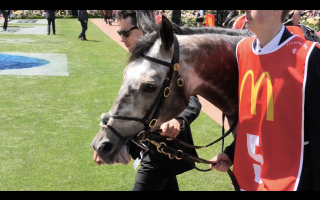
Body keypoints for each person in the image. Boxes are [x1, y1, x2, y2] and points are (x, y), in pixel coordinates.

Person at [210, 10, 320, 191]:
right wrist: (232, 153)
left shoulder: (308, 56)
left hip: (292, 181)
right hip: (248, 179)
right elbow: (253, 121)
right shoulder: (242, 50)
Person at [93, 10, 202, 191]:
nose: (121, 38)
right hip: (150, 150)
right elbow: (128, 109)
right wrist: (109, 139)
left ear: (143, 28)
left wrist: (178, 119)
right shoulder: (136, 64)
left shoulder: (166, 61)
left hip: (162, 152)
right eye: (120, 33)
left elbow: (193, 100)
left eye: (126, 32)